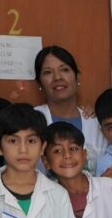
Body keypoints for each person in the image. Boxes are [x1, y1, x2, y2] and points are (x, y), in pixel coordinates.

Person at [33, 46, 106, 175]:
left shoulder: (95, 123)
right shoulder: (31, 120)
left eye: (64, 70)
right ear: (39, 83)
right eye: (48, 72)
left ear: (76, 77)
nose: (57, 77)